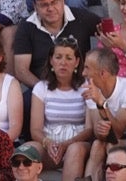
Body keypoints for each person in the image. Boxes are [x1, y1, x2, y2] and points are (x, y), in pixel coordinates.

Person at [13, 0, 100, 92]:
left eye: (54, 2)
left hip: (80, 88)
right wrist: (45, 91)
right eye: (44, 5)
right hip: (42, 88)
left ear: (63, 0)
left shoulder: (81, 17)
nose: (50, 8)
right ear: (35, 6)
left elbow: (110, 32)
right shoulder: (27, 26)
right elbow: (21, 70)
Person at [26, 38, 93, 181]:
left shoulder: (86, 86)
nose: (63, 62)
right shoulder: (41, 87)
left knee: (75, 150)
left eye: (69, 58)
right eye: (58, 57)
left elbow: (89, 129)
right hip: (49, 144)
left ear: (76, 62)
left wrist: (66, 144)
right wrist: (48, 143)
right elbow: (35, 129)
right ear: (51, 61)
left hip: (77, 144)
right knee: (28, 150)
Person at [82, 49, 126, 180]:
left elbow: (117, 132)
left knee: (112, 146)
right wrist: (99, 106)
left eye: (87, 68)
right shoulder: (91, 88)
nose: (83, 73)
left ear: (102, 73)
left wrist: (101, 103)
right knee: (98, 144)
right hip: (118, 137)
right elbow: (100, 134)